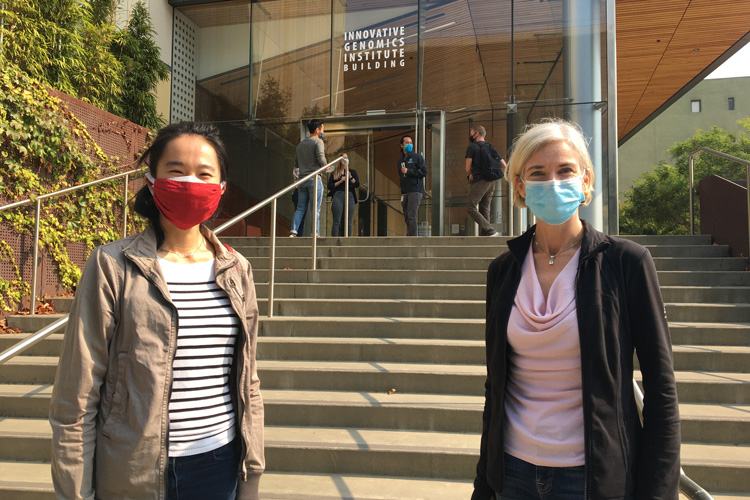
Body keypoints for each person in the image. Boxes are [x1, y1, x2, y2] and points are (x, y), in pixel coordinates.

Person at [49, 122, 265, 500]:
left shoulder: (237, 269)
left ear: (220, 189)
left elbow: (248, 382)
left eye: (204, 174)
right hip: (134, 470)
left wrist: (252, 474)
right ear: (152, 180)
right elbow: (77, 395)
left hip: (220, 464)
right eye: (176, 171)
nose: (190, 183)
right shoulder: (112, 266)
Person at [472, 119, 680, 500]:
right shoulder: (503, 271)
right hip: (512, 473)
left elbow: (661, 389)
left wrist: (658, 492)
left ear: (585, 181)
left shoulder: (626, 263)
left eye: (565, 170)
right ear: (520, 185)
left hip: (592, 479)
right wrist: (483, 486)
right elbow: (496, 387)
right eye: (538, 172)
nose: (553, 181)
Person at [291, 119, 346, 236]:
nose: (323, 132)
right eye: (322, 130)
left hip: (302, 180)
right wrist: (326, 167)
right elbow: (321, 158)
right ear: (317, 130)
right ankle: (315, 233)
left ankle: (293, 231)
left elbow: (296, 163)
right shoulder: (318, 142)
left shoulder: (300, 145)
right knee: (315, 208)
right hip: (315, 179)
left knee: (300, 208)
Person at [466, 125, 505, 237]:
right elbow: (503, 165)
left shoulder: (472, 147)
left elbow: (468, 168)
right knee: (484, 209)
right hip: (491, 182)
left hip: (480, 181)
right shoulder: (491, 147)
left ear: (476, 134)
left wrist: (472, 173)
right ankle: (486, 236)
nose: (470, 135)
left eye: (471, 133)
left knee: (470, 207)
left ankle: (490, 230)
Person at [398, 135, 427, 236]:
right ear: (402, 145)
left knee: (411, 216)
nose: (409, 145)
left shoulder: (417, 157)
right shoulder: (400, 161)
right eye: (407, 143)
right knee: (406, 216)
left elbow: (424, 171)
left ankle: (412, 239)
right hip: (405, 191)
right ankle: (409, 235)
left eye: (410, 143)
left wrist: (409, 171)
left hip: (415, 190)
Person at [327, 158, 360, 237]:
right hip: (338, 195)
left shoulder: (352, 172)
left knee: (348, 221)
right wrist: (340, 181)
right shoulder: (335, 173)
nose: (346, 160)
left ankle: (347, 239)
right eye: (344, 158)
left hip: (350, 196)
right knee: (336, 220)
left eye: (347, 158)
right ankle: (334, 239)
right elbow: (329, 186)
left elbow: (357, 184)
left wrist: (350, 177)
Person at [291, 167, 306, 236]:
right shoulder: (299, 168)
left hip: (298, 192)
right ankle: (296, 232)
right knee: (300, 214)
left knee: (301, 215)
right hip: (299, 192)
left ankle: (298, 234)